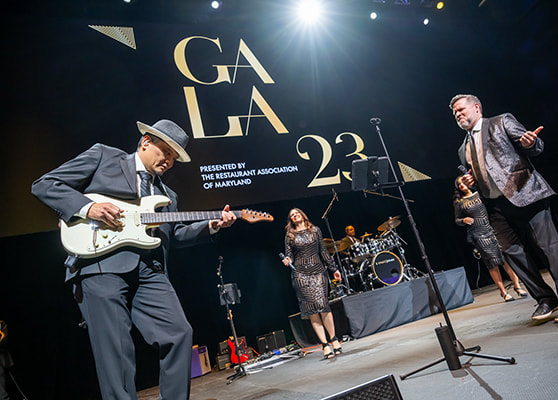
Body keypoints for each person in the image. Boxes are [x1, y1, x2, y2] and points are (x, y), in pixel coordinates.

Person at [31, 119, 236, 399]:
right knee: (115, 351)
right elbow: (46, 184)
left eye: (174, 158)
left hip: (149, 269)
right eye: (165, 152)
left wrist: (212, 225)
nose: (168, 161)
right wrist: (88, 208)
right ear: (146, 142)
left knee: (178, 333)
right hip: (100, 264)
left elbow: (173, 235)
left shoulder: (167, 196)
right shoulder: (104, 156)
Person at [450, 94, 558, 322]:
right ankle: (546, 299)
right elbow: (480, 173)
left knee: (550, 250)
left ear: (476, 107)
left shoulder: (501, 121)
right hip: (496, 206)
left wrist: (530, 143)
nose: (458, 114)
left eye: (461, 109)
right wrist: (471, 181)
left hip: (526, 194)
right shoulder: (462, 148)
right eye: (454, 112)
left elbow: (534, 145)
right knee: (511, 253)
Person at [453, 176, 528, 301]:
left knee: (506, 258)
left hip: (492, 229)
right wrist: (463, 220)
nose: (461, 185)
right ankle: (503, 292)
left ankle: (517, 285)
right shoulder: (460, 203)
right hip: (478, 234)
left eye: (463, 182)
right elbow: (456, 220)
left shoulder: (479, 194)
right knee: (492, 263)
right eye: (459, 184)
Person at [281, 208, 343, 359]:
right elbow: (289, 255)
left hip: (318, 271)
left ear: (302, 215)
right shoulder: (290, 235)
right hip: (300, 274)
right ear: (291, 220)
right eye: (292, 215)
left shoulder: (315, 230)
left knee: (323, 305)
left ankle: (334, 339)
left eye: (297, 213)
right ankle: (325, 345)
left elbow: (323, 251)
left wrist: (333, 269)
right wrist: (288, 260)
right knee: (312, 310)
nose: (295, 216)